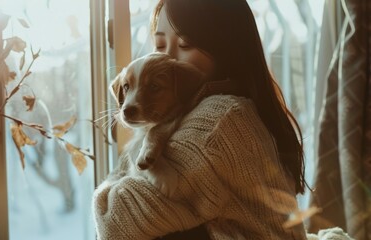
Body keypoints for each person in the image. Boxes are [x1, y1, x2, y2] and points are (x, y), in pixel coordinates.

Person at [93, 0, 308, 239]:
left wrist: (105, 194)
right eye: (160, 44)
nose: (168, 57)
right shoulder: (233, 107)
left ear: (227, 49)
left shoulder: (218, 121)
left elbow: (115, 221)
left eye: (186, 44)